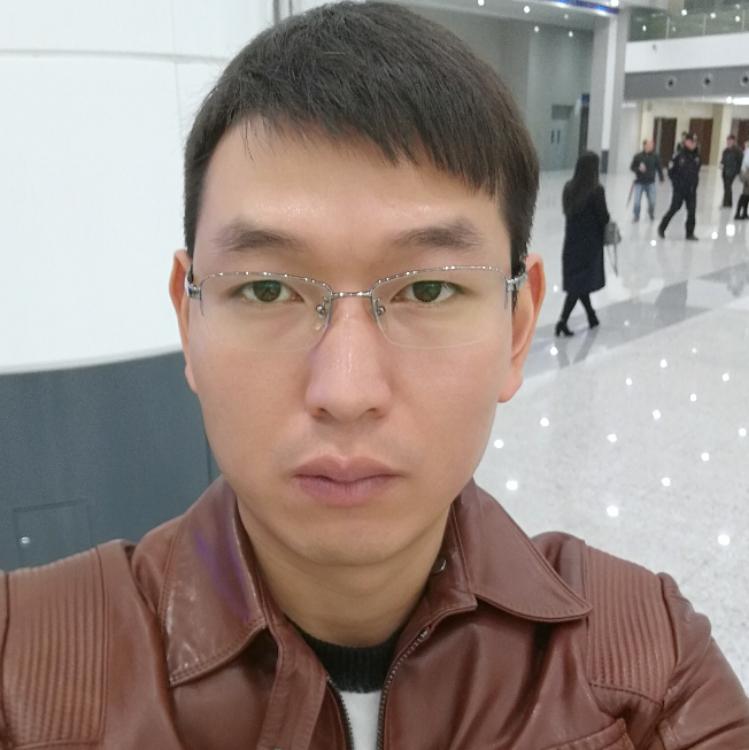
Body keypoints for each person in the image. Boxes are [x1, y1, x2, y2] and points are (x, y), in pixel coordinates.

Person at [1, 4, 747, 749]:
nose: (346, 391)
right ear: (187, 320)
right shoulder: (22, 668)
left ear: (518, 328)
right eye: (267, 289)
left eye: (428, 289)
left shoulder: (648, 671)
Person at [555, 151, 609, 337]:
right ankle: (562, 321)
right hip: (590, 245)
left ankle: (591, 316)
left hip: (571, 242)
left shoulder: (568, 188)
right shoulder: (596, 190)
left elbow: (567, 211)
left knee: (578, 282)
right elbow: (603, 217)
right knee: (579, 285)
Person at [658, 133, 701, 240]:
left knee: (692, 211)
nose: (693, 144)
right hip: (679, 189)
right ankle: (662, 227)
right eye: (691, 142)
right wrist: (676, 184)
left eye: (695, 142)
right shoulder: (678, 155)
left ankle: (690, 233)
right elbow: (671, 172)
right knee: (674, 208)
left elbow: (697, 171)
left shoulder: (697, 157)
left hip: (691, 190)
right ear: (686, 142)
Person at [629, 138, 663, 221]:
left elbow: (659, 167)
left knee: (652, 201)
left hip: (650, 183)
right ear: (644, 146)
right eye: (649, 145)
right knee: (637, 202)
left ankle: (651, 213)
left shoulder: (655, 156)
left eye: (652, 145)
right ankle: (636, 216)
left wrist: (661, 177)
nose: (651, 146)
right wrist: (638, 169)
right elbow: (632, 167)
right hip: (639, 182)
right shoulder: (638, 156)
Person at [720, 134, 744, 208]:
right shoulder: (726, 150)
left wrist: (738, 171)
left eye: (730, 140)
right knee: (726, 187)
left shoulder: (738, 150)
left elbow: (740, 161)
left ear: (733, 141)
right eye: (728, 140)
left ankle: (726, 203)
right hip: (725, 171)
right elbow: (723, 160)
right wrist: (721, 164)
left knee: (728, 186)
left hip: (732, 172)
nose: (728, 142)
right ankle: (728, 203)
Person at [734, 140, 749, 220]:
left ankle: (744, 213)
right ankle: (738, 213)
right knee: (745, 194)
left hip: (745, 173)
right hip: (746, 173)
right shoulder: (748, 151)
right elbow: (747, 163)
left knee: (747, 194)